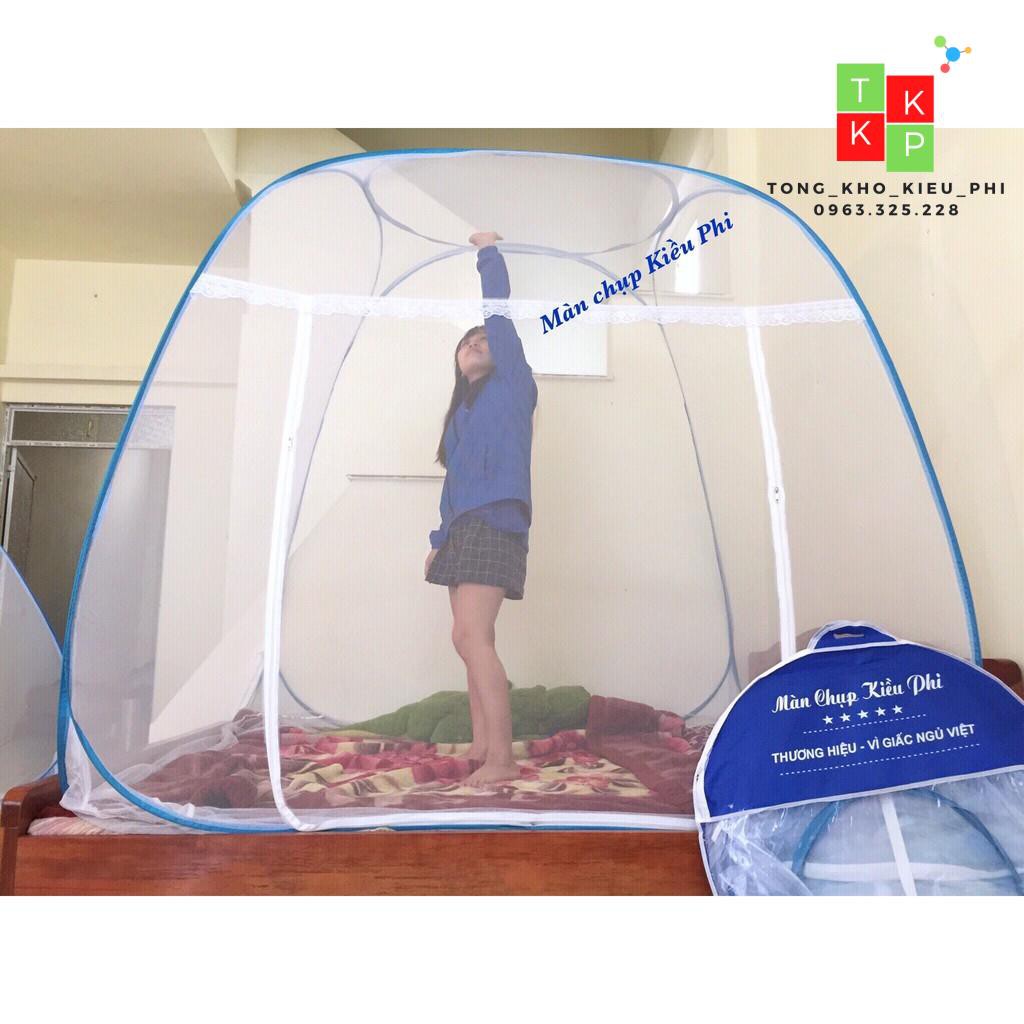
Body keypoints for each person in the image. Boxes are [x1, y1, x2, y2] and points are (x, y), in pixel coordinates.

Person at [425, 230, 538, 786]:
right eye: (467, 341)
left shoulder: (513, 385)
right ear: (456, 360)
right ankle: (481, 744)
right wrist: (437, 541)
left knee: (474, 636)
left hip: (497, 522)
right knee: (463, 638)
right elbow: (453, 486)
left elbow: (498, 316)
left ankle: (502, 760)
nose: (477, 341)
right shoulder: (460, 416)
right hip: (463, 528)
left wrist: (488, 254)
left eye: (484, 339)